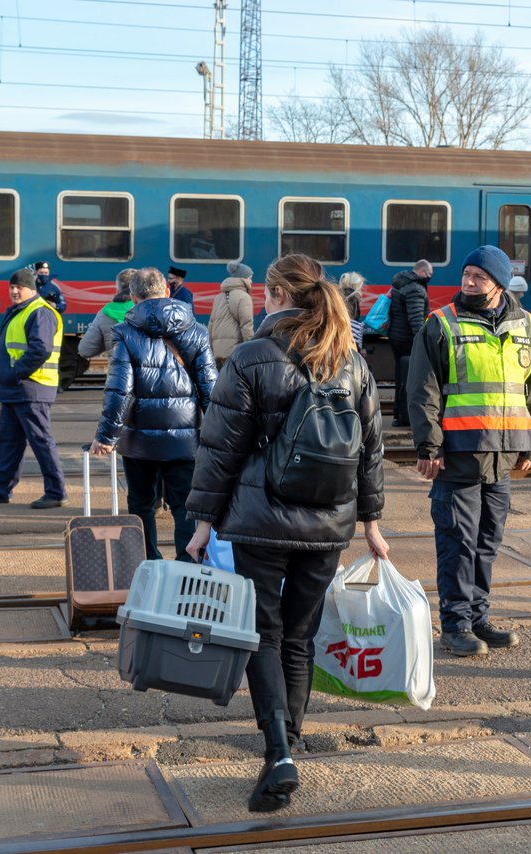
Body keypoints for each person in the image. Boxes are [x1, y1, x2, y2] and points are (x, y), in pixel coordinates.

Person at [184, 254, 387, 813]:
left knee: (263, 635)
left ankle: (278, 753)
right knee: (299, 635)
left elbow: (219, 449)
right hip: (329, 524)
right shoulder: (350, 359)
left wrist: (201, 523)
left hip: (261, 522)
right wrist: (371, 523)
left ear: (273, 294)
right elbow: (371, 451)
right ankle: (291, 740)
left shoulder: (252, 358)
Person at [407, 245, 531, 657]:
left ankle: (478, 617)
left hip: (502, 455)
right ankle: (455, 624)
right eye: (466, 274)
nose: (469, 282)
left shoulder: (527, 325)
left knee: (487, 541)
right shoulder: (441, 325)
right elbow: (422, 391)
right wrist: (428, 444)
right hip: (457, 455)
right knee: (458, 542)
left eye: (478, 277)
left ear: (499, 284)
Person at [90, 267, 217, 560]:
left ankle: (149, 565)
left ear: (133, 298)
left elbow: (119, 390)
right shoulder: (197, 331)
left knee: (141, 505)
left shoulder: (124, 332)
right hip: (185, 439)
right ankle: (187, 571)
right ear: (168, 292)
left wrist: (106, 437)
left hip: (139, 442)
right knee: (185, 506)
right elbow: (212, 389)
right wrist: (219, 434)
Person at [0, 269, 68, 509]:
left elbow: (40, 349)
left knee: (40, 440)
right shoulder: (22, 310)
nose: (14, 291)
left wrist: (16, 372)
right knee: (9, 442)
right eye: (12, 287)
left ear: (32, 289)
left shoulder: (40, 312)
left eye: (19, 287)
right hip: (16, 389)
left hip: (30, 387)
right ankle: (0, 489)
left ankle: (56, 492)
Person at [387, 259, 432, 427]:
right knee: (409, 379)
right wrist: (422, 341)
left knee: (401, 377)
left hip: (397, 337)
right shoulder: (415, 289)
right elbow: (416, 319)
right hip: (408, 340)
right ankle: (403, 416)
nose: (430, 277)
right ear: (421, 272)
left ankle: (399, 414)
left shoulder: (401, 283)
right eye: (429, 274)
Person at [77, 269, 136, 365]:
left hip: (118, 375)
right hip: (147, 377)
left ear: (118, 289)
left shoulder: (105, 313)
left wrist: (106, 342)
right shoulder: (147, 310)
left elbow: (85, 350)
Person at [209, 261, 255, 366]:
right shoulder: (244, 297)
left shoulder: (219, 297)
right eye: (250, 277)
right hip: (234, 353)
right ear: (243, 278)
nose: (251, 281)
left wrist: (211, 349)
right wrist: (251, 349)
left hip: (218, 353)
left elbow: (211, 325)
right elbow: (247, 325)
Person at [338, 271, 366, 352]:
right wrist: (359, 348)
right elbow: (353, 327)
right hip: (347, 341)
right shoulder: (352, 299)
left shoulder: (338, 294)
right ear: (356, 285)